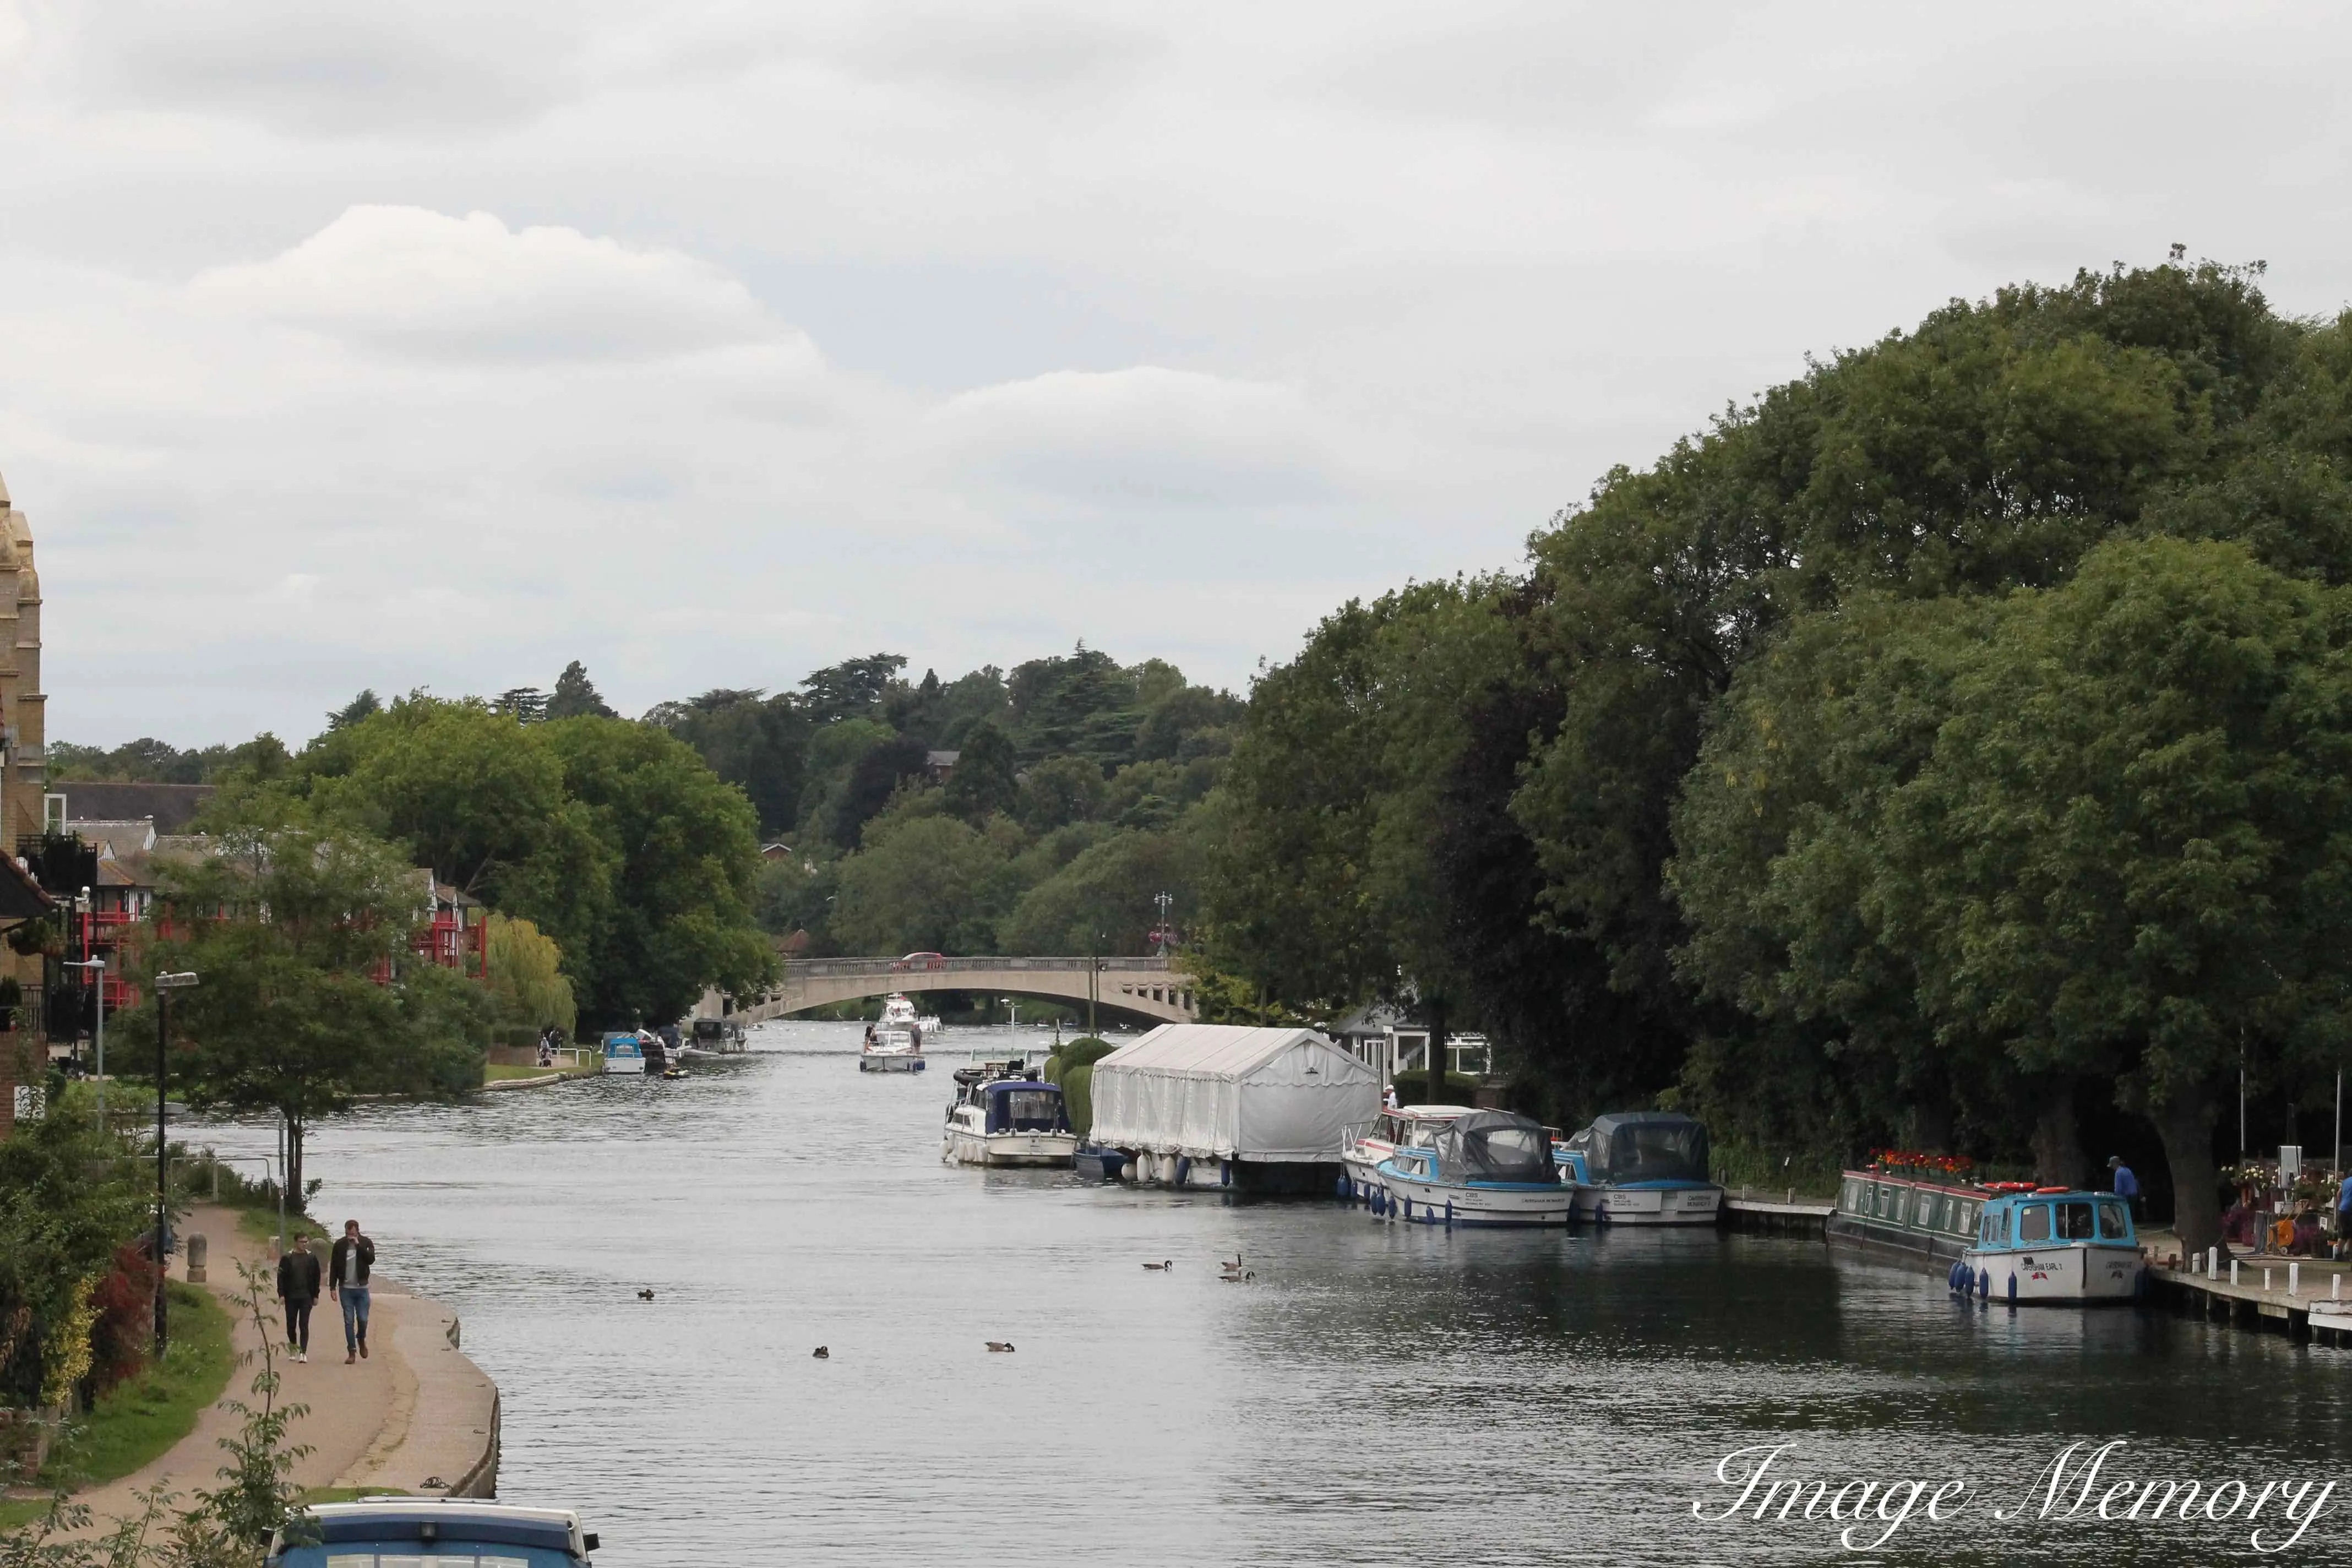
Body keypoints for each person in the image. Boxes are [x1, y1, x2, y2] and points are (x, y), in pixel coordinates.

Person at [329, 1219, 375, 1365]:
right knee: (349, 1320)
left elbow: (371, 1260)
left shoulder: (366, 1243)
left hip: (362, 1288)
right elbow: (334, 1267)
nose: (350, 1236)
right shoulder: (339, 1245)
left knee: (363, 1319)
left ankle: (361, 1338)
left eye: (353, 1234)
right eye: (348, 1234)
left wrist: (358, 1245)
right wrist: (332, 1287)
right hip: (346, 1289)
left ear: (357, 1232)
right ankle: (352, 1352)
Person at [276, 1233, 322, 1364]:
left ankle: (303, 1352)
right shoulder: (287, 1258)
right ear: (296, 1242)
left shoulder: (311, 1258)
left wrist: (316, 1295)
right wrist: (281, 1295)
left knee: (304, 1324)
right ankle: (293, 1348)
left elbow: (316, 1277)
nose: (305, 1244)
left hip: (306, 1296)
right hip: (291, 1297)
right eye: (302, 1242)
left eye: (306, 1242)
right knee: (291, 1325)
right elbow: (281, 1277)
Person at [2108, 1156, 2141, 1222]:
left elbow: (2118, 1189)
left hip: (2127, 1197)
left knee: (2123, 1215)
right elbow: (2135, 1182)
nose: (2112, 1168)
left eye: (2112, 1166)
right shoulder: (2128, 1170)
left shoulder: (2118, 1173)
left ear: (2115, 1164)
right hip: (2134, 1195)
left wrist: (2114, 1198)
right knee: (2131, 1215)